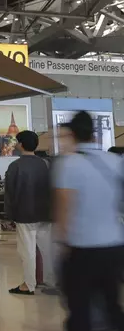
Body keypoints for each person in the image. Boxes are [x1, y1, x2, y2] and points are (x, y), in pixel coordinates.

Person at [54, 111, 124, 331]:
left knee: (80, 308)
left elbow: (64, 208)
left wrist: (63, 242)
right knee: (111, 304)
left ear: (73, 135)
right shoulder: (115, 161)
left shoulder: (69, 164)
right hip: (114, 245)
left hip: (83, 248)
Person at [5, 130, 55, 295]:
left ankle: (29, 284)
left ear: (20, 144)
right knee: (46, 249)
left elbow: (10, 194)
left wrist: (9, 217)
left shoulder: (15, 166)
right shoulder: (44, 164)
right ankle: (50, 281)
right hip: (45, 214)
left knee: (27, 251)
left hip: (25, 215)